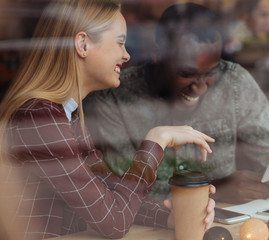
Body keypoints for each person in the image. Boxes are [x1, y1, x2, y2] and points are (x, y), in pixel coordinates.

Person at [0, 1, 216, 239]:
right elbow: (113, 222)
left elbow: (109, 196)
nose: (127, 55)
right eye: (120, 42)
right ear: (83, 44)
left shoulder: (65, 114)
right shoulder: (39, 117)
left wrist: (170, 216)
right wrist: (156, 140)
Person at [86, 2, 269, 204]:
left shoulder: (235, 84)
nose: (200, 87)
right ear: (158, 58)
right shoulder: (117, 96)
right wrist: (215, 190)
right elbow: (121, 195)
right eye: (187, 73)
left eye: (211, 73)